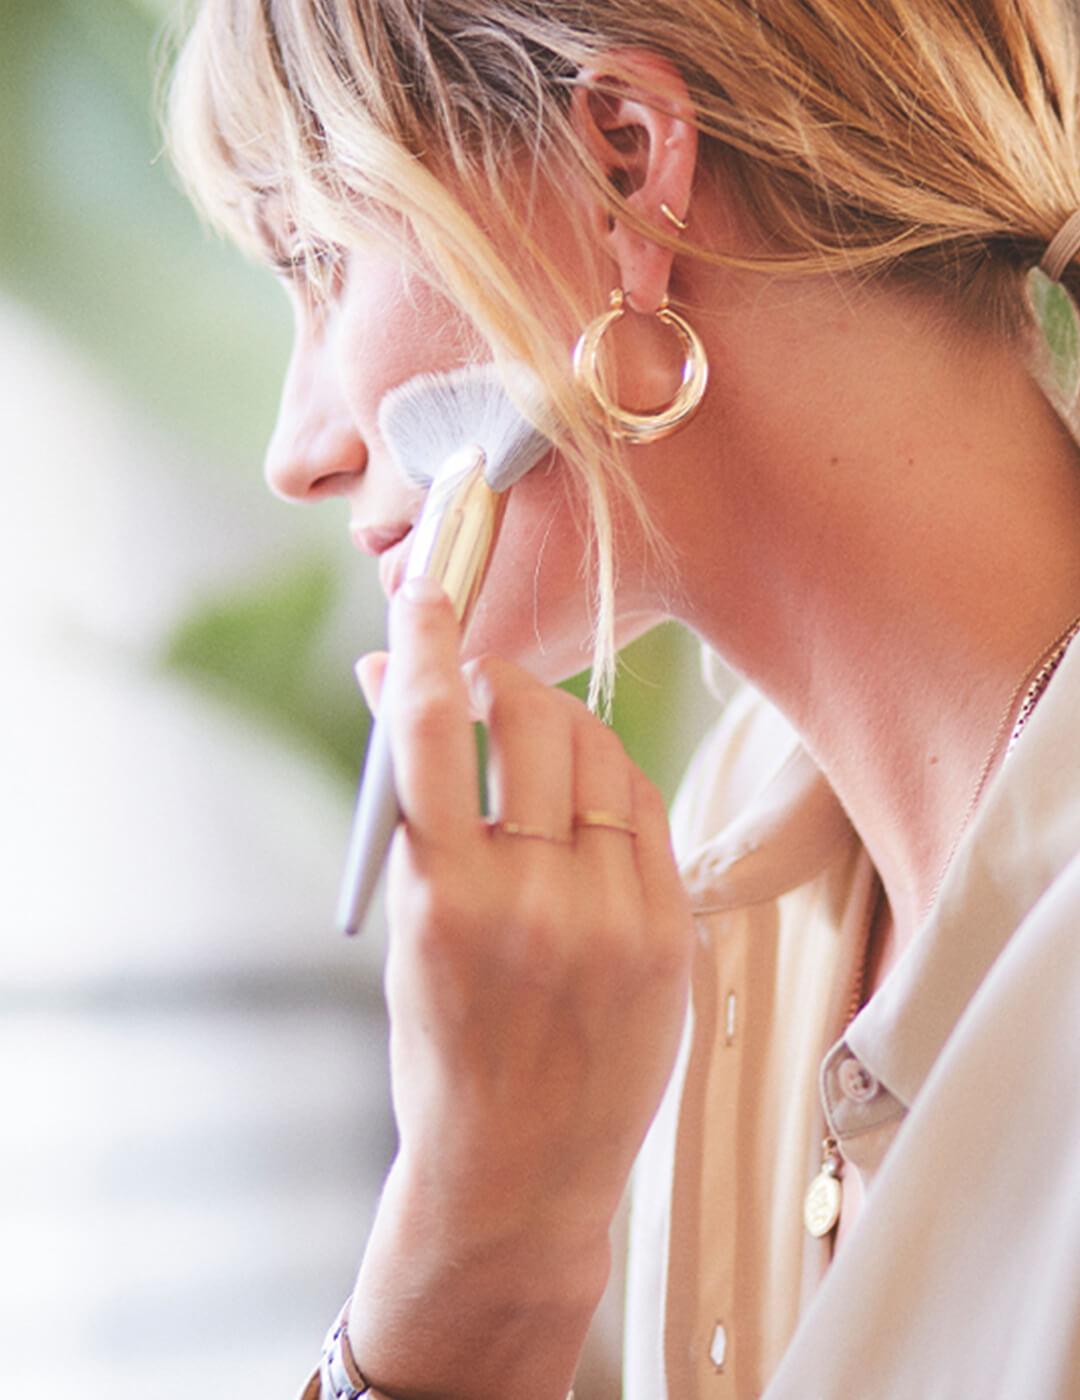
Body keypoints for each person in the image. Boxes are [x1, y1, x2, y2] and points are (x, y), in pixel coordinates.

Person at [166, 3, 1080, 1396]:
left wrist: (478, 1283)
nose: (299, 454)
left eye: (319, 259)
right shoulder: (707, 874)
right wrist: (479, 1249)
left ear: (624, 168)